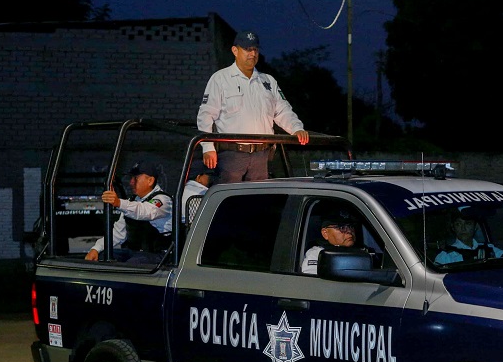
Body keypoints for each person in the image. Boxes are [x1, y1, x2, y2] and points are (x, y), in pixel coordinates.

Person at [196, 30, 310, 184]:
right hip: (232, 155)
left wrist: (297, 128)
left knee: (257, 202)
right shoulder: (220, 79)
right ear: (235, 50)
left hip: (261, 156)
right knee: (230, 202)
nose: (252, 54)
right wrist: (208, 147)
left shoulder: (267, 81)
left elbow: (282, 110)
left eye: (255, 49)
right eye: (247, 49)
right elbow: (206, 115)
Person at [84, 163, 172, 262]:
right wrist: (96, 248)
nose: (131, 182)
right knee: (103, 256)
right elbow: (118, 233)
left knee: (133, 264)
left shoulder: (163, 200)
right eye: (131, 178)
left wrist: (119, 203)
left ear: (150, 181)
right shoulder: (133, 202)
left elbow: (145, 211)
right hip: (135, 252)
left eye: (136, 178)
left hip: (159, 255)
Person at [434, 207, 503, 265]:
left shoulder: (489, 249)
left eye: (468, 223)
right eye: (458, 224)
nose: (463, 228)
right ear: (453, 227)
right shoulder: (445, 256)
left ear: (475, 226)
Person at [302, 205, 360, 275]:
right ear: (325, 233)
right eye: (342, 227)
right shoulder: (317, 254)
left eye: (350, 226)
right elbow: (312, 281)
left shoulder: (362, 250)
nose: (349, 231)